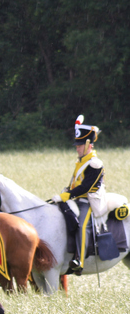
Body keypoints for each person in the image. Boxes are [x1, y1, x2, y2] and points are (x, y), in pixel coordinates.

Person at [52, 115, 106, 274]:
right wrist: (65, 193)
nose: (77, 148)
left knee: (83, 225)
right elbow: (75, 183)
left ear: (88, 145)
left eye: (80, 145)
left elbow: (86, 187)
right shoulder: (81, 161)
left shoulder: (95, 163)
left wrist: (67, 196)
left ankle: (80, 260)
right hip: (76, 199)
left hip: (89, 201)